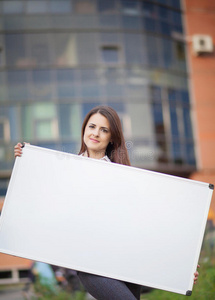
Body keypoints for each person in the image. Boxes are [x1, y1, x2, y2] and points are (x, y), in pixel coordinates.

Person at [14, 105, 200, 300]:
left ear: (112, 137)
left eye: (104, 130)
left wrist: (181, 266)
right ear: (84, 130)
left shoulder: (124, 178)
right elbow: (40, 196)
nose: (96, 133)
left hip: (129, 267)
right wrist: (29, 158)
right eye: (92, 127)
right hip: (92, 266)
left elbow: (146, 225)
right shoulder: (65, 171)